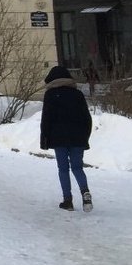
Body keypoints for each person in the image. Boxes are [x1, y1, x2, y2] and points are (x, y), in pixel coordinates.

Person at [39, 64, 93, 212]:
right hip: (78, 138)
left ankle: (67, 201)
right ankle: (85, 192)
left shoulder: (50, 95)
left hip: (59, 138)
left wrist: (44, 140)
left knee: (63, 169)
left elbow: (46, 119)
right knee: (77, 167)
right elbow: (87, 118)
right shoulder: (78, 94)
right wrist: (85, 137)